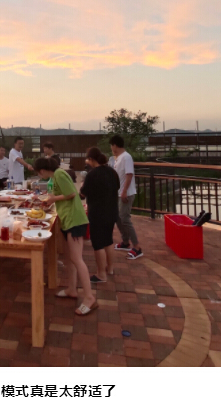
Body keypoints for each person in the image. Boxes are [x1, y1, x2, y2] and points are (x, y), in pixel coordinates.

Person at [35, 157, 97, 316]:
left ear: (42, 170)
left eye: (39, 173)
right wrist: (51, 201)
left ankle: (89, 297)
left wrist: (53, 199)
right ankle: (71, 289)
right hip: (67, 220)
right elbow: (63, 195)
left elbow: (71, 194)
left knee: (77, 259)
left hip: (74, 220)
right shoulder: (56, 176)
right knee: (70, 258)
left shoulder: (59, 174)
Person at [80, 147, 120, 283]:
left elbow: (82, 194)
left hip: (97, 213)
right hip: (112, 211)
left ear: (91, 159)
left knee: (98, 243)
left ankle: (101, 274)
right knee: (108, 240)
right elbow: (117, 187)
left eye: (88, 160)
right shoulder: (112, 172)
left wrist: (82, 186)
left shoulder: (92, 174)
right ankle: (110, 268)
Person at [109, 135, 143, 259]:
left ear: (115, 145)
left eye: (111, 145)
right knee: (118, 218)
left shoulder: (126, 157)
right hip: (119, 193)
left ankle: (137, 247)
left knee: (125, 219)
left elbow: (129, 175)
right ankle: (125, 242)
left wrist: (124, 192)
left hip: (126, 194)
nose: (111, 148)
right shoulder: (118, 158)